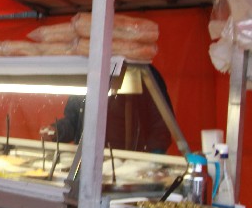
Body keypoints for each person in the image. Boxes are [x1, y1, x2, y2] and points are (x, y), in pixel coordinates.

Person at [40, 64, 174, 153]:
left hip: (127, 165)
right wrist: (56, 131)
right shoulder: (87, 72)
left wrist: (150, 161)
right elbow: (73, 122)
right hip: (87, 163)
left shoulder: (141, 73)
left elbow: (162, 126)